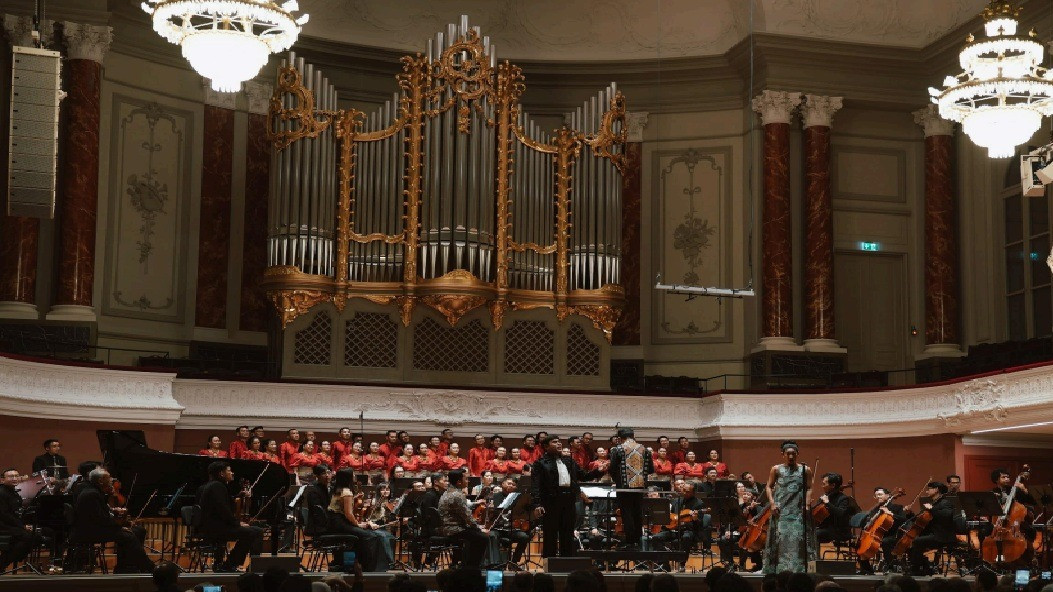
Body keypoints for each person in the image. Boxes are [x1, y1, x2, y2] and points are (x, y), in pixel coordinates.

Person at [69, 468, 155, 573]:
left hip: (94, 527)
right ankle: (148, 567)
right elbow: (101, 520)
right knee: (129, 536)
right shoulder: (92, 494)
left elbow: (102, 513)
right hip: (89, 532)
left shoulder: (94, 491)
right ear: (100, 481)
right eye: (109, 478)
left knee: (138, 530)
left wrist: (114, 512)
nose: (111, 480)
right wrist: (120, 525)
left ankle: (127, 567)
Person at [530, 435, 600, 557]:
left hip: (568, 500)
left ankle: (566, 561)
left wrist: (599, 471)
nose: (559, 444)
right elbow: (536, 486)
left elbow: (583, 476)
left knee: (567, 533)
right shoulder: (540, 463)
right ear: (546, 446)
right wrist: (537, 504)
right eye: (554, 442)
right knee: (550, 534)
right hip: (550, 502)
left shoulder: (569, 461)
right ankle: (550, 563)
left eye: (559, 442)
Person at [197, 461, 264, 572]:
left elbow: (223, 505)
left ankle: (233, 564)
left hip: (214, 526)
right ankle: (233, 564)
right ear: (221, 474)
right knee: (254, 532)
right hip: (216, 528)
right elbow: (223, 511)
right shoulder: (217, 486)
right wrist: (237, 524)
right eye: (229, 471)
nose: (232, 473)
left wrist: (238, 496)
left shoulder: (210, 485)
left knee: (255, 531)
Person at [761, 440, 815, 574]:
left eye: (793, 454)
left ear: (798, 454)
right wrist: (772, 503)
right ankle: (779, 569)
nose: (791, 456)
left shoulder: (806, 470)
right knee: (780, 539)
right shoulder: (776, 469)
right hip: (780, 510)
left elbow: (809, 488)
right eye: (788, 454)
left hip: (798, 510)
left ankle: (799, 569)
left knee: (798, 539)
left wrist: (807, 504)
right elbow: (768, 486)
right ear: (783, 454)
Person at [327, 468, 394, 571]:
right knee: (371, 536)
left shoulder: (337, 490)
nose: (355, 476)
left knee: (366, 533)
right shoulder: (347, 492)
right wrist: (358, 524)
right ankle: (369, 567)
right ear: (348, 477)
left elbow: (340, 506)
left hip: (334, 522)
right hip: (341, 523)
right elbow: (348, 514)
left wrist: (354, 499)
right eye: (353, 475)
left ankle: (359, 564)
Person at [608, 427, 653, 548]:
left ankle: (630, 542)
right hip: (640, 487)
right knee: (638, 513)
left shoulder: (617, 449)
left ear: (620, 438)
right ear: (633, 436)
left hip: (623, 488)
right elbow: (651, 469)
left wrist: (618, 480)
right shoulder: (645, 450)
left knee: (627, 514)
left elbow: (612, 468)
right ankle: (639, 541)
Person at [438, 470, 491, 567]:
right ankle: (471, 567)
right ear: (459, 482)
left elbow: (463, 510)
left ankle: (465, 563)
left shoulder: (447, 492)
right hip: (454, 529)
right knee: (483, 537)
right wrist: (479, 528)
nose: (468, 481)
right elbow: (467, 517)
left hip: (446, 528)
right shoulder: (457, 495)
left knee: (476, 534)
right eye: (466, 479)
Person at [0, 468, 46, 572]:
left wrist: (24, 524)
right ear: (2, 480)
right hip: (4, 526)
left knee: (35, 537)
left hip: (12, 525)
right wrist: (22, 526)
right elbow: (5, 515)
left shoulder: (13, 492)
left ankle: (4, 561)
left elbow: (17, 513)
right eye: (11, 476)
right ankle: (2, 563)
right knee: (31, 538)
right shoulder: (2, 493)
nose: (14, 478)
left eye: (16, 476)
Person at [907, 481, 956, 575]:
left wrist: (932, 509)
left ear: (936, 489)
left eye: (929, 489)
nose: (927, 491)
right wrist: (910, 514)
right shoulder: (933, 503)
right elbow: (920, 519)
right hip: (933, 534)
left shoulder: (945, 502)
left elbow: (946, 516)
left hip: (942, 536)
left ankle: (917, 569)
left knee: (917, 542)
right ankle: (925, 567)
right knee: (912, 540)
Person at [856, 487, 906, 575]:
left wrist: (890, 513)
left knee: (886, 542)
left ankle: (890, 567)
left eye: (880, 494)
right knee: (859, 543)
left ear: (888, 495)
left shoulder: (897, 507)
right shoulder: (876, 509)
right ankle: (866, 569)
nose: (878, 497)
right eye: (876, 495)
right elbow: (870, 522)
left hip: (893, 535)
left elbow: (903, 520)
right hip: (877, 534)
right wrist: (869, 521)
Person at [651, 480, 708, 552]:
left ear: (693, 492)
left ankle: (682, 558)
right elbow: (671, 516)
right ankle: (665, 557)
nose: (684, 493)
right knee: (656, 538)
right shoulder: (676, 501)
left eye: (687, 491)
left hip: (689, 531)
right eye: (683, 490)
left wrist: (695, 519)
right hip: (674, 530)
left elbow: (699, 524)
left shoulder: (699, 504)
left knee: (686, 537)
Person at [491, 478, 531, 567]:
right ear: (503, 484)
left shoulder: (519, 498)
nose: (511, 486)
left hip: (512, 528)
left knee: (524, 537)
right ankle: (496, 563)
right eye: (509, 483)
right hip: (498, 528)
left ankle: (514, 562)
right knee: (492, 535)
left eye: (513, 485)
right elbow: (497, 511)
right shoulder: (496, 496)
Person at [814, 473, 853, 544]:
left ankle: (813, 551)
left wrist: (828, 503)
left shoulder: (843, 499)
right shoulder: (825, 497)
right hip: (826, 528)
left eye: (824, 484)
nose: (822, 486)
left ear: (833, 485)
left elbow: (841, 514)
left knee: (814, 534)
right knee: (807, 532)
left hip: (839, 531)